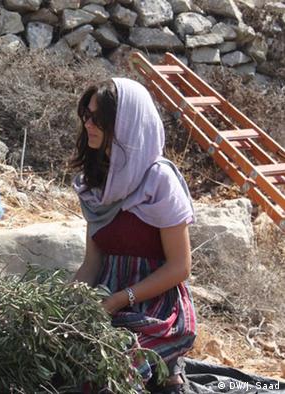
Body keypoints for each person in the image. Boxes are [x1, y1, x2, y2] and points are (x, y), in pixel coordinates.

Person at [70, 78, 197, 393]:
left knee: (118, 374)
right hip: (107, 300)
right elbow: (92, 262)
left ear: (126, 123)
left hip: (156, 306)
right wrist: (66, 305)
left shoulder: (159, 181)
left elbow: (180, 266)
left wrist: (119, 301)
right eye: (86, 114)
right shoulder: (95, 182)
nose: (88, 123)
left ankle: (171, 370)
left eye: (97, 118)